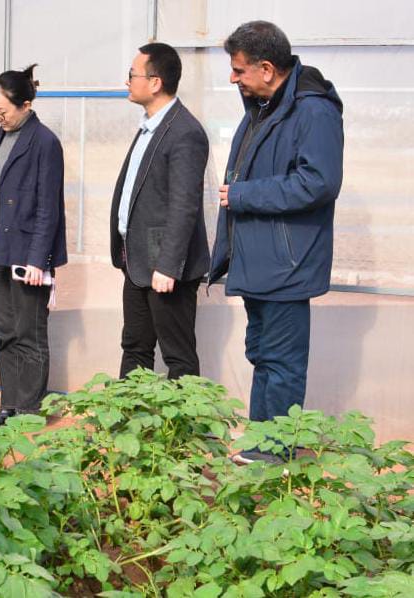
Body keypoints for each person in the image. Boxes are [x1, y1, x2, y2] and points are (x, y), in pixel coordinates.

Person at [209, 22, 344, 464]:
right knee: (263, 355)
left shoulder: (312, 111)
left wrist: (244, 195)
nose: (233, 78)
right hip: (261, 259)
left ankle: (274, 451)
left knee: (282, 363)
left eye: (239, 70)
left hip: (287, 263)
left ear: (267, 69)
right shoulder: (265, 107)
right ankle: (261, 444)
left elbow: (318, 182)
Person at [0, 65, 67, 431]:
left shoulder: (44, 142)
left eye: (2, 111)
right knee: (5, 333)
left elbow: (48, 207)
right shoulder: (2, 134)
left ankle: (28, 412)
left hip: (26, 254)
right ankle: (8, 406)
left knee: (30, 334)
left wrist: (39, 260)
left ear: (25, 105)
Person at [110, 43, 210, 380]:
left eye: (132, 75)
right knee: (135, 347)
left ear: (155, 82)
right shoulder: (149, 126)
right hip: (137, 261)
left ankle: (183, 416)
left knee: (177, 355)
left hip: (166, 267)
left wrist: (168, 265)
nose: (127, 81)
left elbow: (184, 205)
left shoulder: (185, 132)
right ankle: (130, 413)